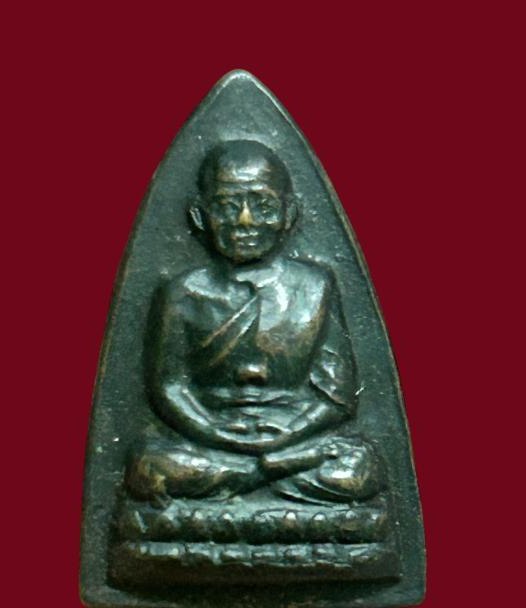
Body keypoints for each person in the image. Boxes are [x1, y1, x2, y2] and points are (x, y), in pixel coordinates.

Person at [128, 140, 381, 504]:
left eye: (263, 207)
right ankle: (263, 473)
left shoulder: (315, 286)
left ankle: (251, 476)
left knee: (359, 468)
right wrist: (217, 432)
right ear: (200, 215)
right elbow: (169, 389)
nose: (245, 221)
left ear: (288, 214)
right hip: (213, 439)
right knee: (148, 466)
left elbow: (338, 398)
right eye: (227, 207)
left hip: (293, 435)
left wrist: (289, 433)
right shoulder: (183, 292)